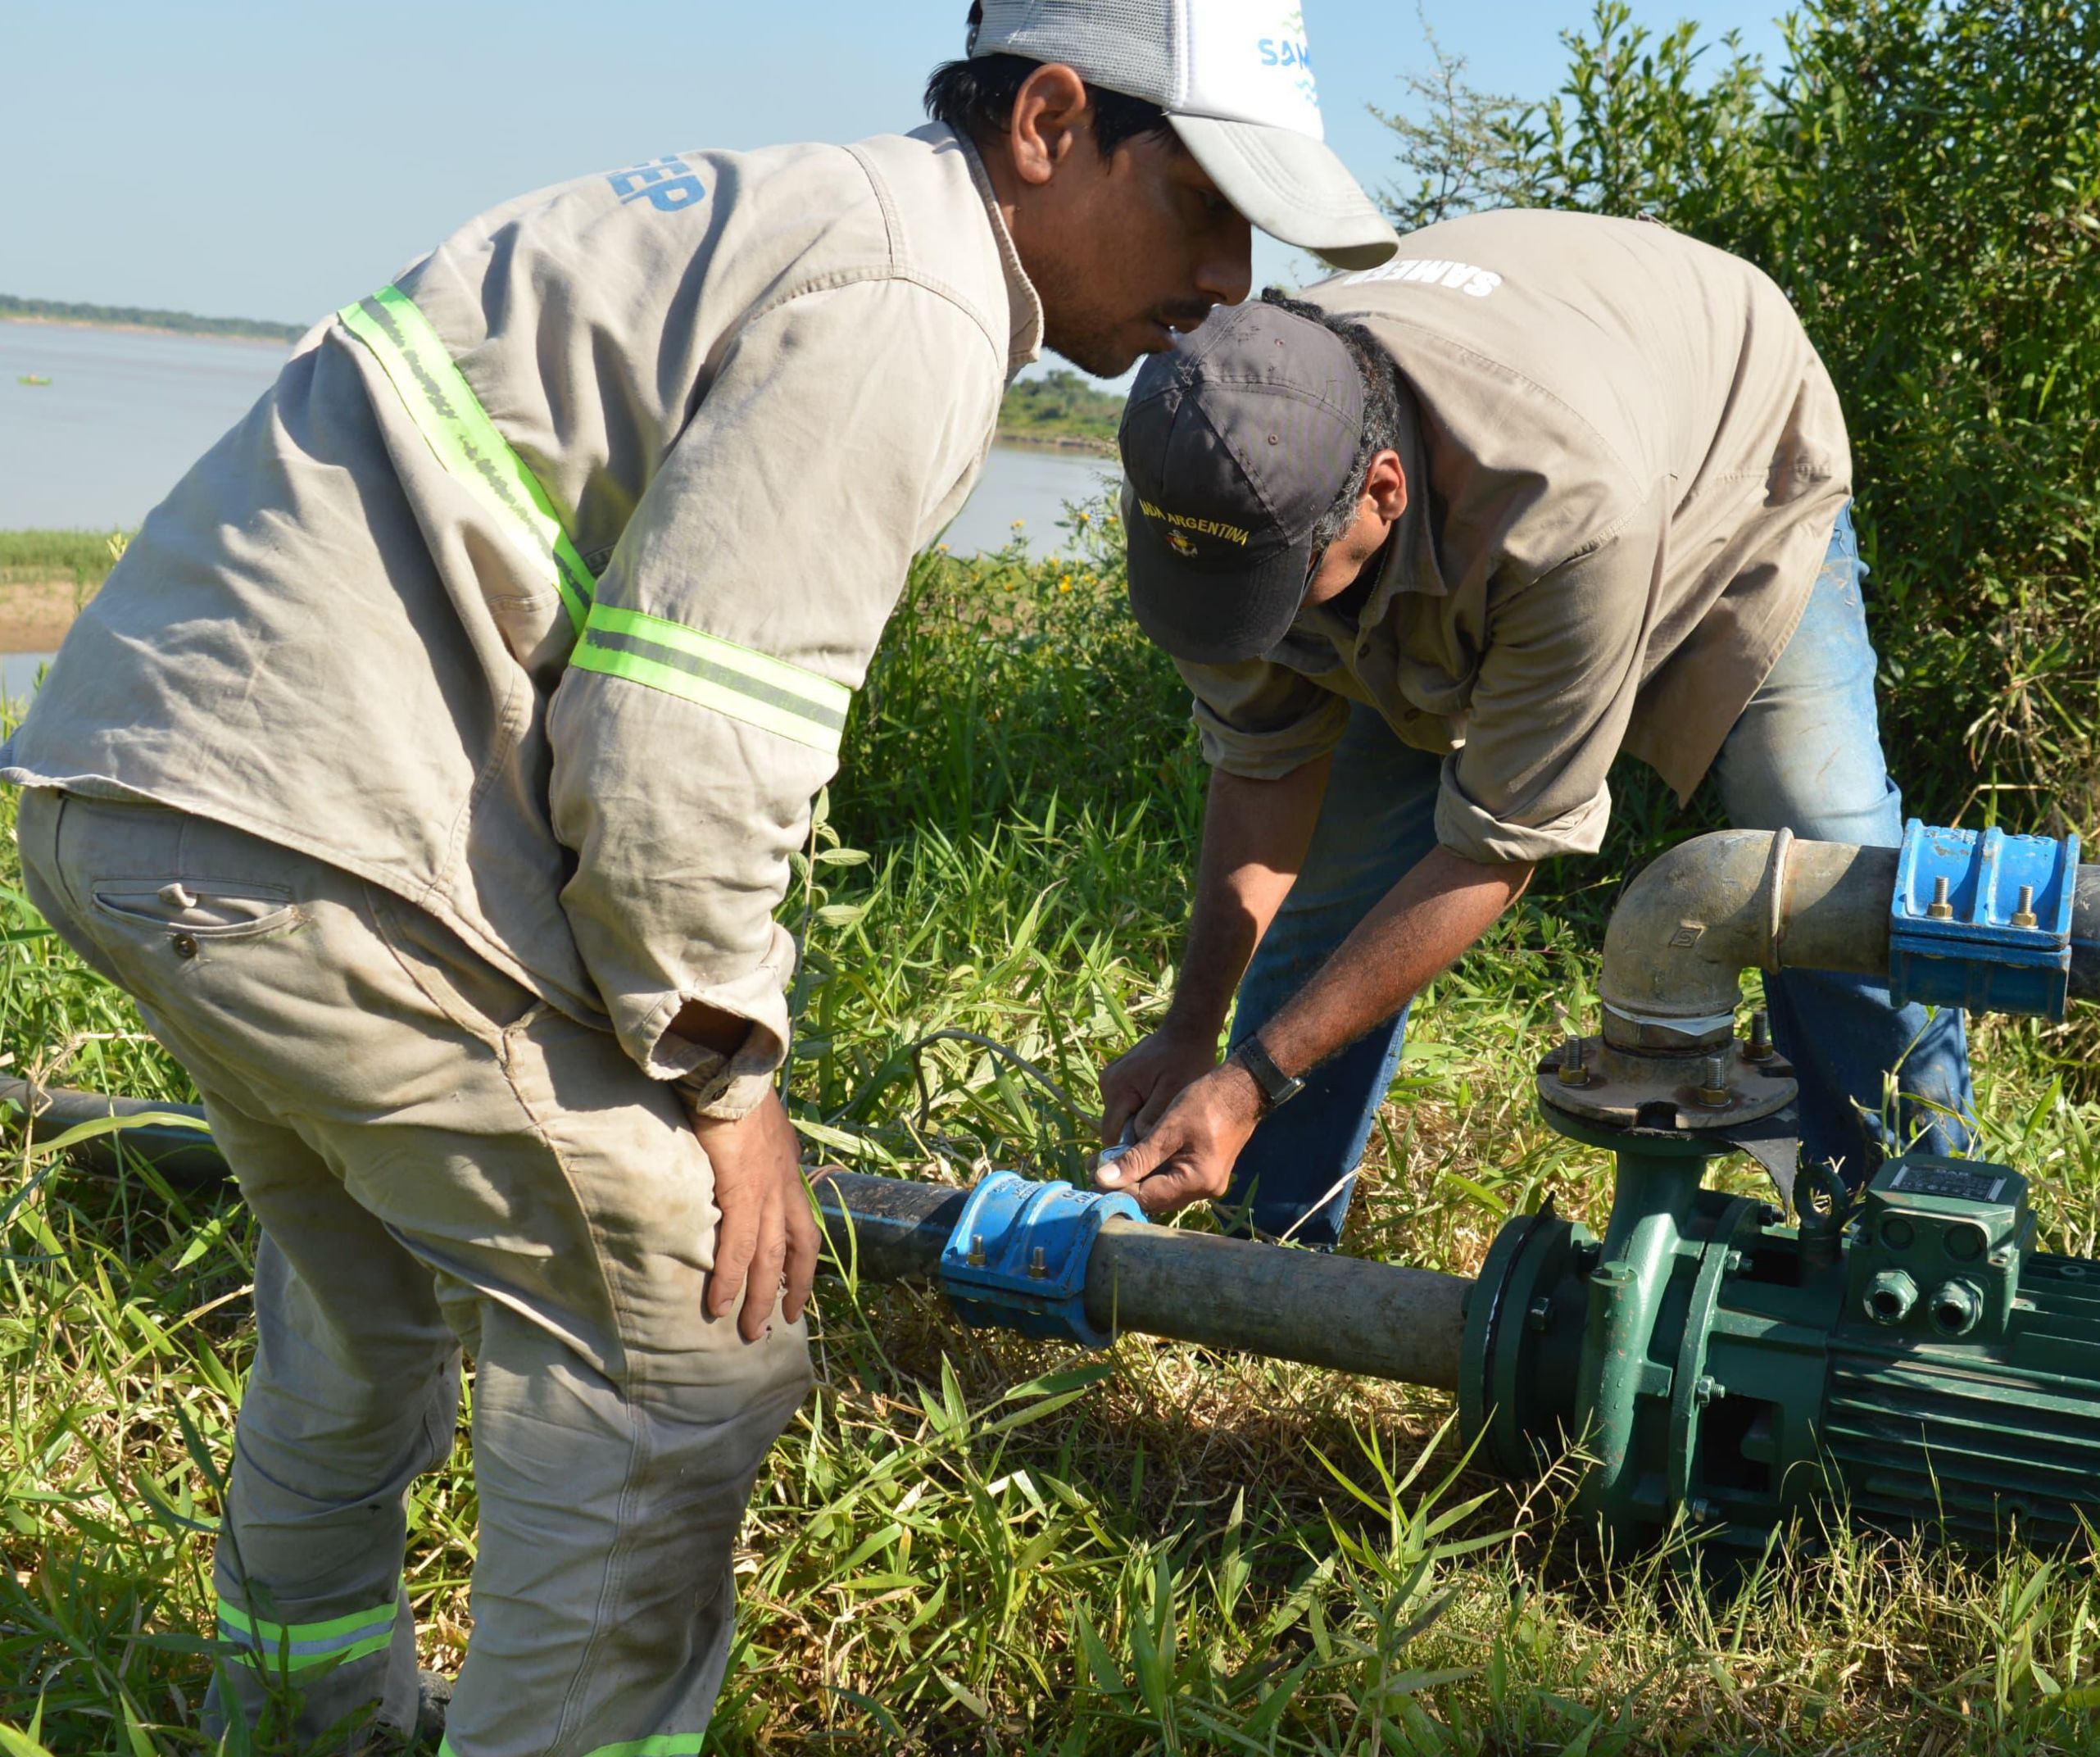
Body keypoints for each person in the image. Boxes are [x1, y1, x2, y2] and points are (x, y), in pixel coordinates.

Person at [1, 5, 1399, 1750]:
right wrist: (734, 1088)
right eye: (1204, 202)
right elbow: (680, 754)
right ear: (1049, 123)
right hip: (316, 835)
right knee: (678, 1351)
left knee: (360, 1294)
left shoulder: (812, 213)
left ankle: (299, 1720)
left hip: (145, 790)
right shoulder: (916, 303)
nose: (1228, 273)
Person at [1095, 209, 1974, 1247]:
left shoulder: (1565, 509)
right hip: (1508, 444)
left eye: (1281, 593)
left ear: (1381, 493)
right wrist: (1194, 1029)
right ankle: (1262, 1238)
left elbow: (1495, 843)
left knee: (1823, 846)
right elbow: (1263, 769)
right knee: (1347, 876)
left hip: (1728, 454)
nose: (1258, 632)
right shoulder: (1229, 477)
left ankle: (1914, 1223)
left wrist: (1247, 1080)